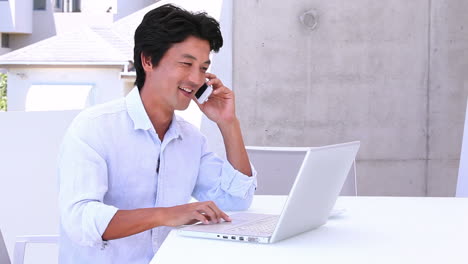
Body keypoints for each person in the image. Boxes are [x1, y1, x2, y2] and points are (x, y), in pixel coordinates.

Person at [58, 4, 257, 263]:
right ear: (148, 60)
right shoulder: (93, 128)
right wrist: (167, 214)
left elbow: (236, 201)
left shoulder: (191, 139)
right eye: (186, 63)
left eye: (202, 68)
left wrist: (228, 123)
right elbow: (80, 220)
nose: (196, 79)